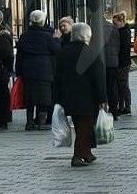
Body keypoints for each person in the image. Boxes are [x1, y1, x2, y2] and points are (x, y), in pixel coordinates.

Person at [54, 22, 108, 168]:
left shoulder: (64, 51)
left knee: (80, 125)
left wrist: (58, 96)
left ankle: (87, 153)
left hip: (68, 96)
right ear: (86, 35)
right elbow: (98, 77)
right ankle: (78, 156)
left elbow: (57, 75)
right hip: (87, 97)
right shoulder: (89, 52)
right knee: (86, 127)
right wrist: (102, 98)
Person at [15, 10, 59, 130]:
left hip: (28, 69)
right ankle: (41, 122)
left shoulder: (25, 36)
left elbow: (20, 55)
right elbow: (56, 50)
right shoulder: (47, 36)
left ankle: (29, 122)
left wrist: (18, 71)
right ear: (43, 21)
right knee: (43, 97)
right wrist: (56, 39)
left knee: (29, 96)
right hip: (43, 69)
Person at [111, 13, 132, 116]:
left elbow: (122, 49)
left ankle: (126, 106)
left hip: (122, 63)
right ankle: (122, 106)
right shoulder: (122, 31)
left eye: (115, 23)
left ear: (121, 21)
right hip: (122, 62)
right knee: (120, 85)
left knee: (123, 85)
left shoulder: (124, 33)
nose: (114, 25)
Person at [102, 16, 121, 118]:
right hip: (113, 61)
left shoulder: (94, 27)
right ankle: (114, 110)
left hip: (101, 62)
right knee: (112, 87)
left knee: (102, 86)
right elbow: (118, 44)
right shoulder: (113, 27)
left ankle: (102, 110)